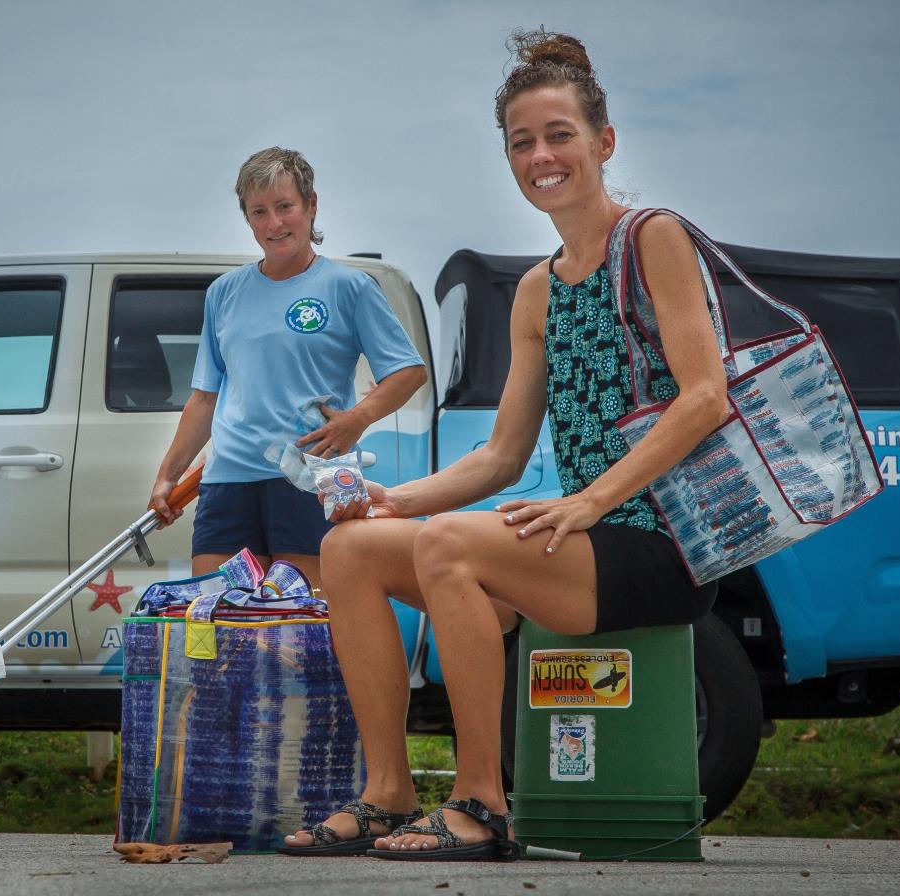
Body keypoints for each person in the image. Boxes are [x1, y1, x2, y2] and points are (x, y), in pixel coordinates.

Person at [280, 30, 726, 861]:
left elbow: (705, 397)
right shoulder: (535, 289)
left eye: (559, 134)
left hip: (664, 542)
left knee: (453, 543)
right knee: (350, 548)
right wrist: (392, 501)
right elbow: (501, 458)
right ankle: (387, 793)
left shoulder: (654, 238)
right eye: (522, 142)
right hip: (580, 539)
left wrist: (589, 500)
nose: (541, 155)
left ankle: (483, 801)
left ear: (604, 142)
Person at [148, 147, 427, 590]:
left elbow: (409, 372)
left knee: (301, 629)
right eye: (260, 211)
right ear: (248, 218)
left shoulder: (348, 287)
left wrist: (357, 419)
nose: (275, 224)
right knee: (220, 630)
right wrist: (167, 476)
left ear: (310, 205)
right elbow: (205, 397)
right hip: (228, 479)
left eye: (285, 207)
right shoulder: (223, 293)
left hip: (312, 477)